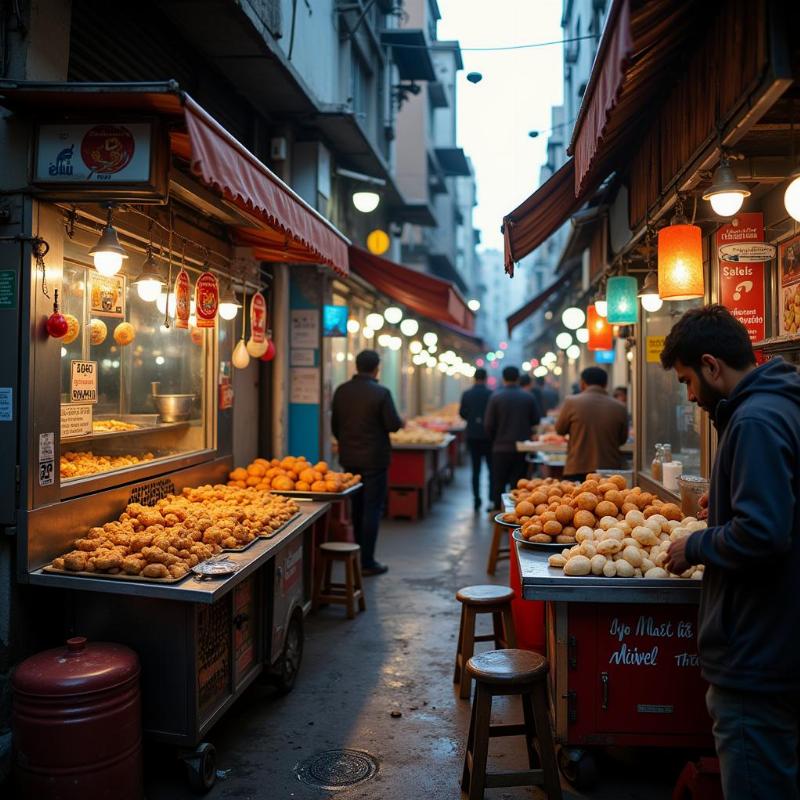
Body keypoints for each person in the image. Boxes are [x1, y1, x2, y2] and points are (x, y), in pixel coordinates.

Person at [661, 305, 800, 800]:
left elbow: (763, 532)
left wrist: (696, 543)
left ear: (711, 365)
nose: (691, 395)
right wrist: (720, 502)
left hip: (757, 649)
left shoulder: (755, 420)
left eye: (687, 381)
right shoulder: (782, 406)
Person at [331, 350, 403, 576]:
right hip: (375, 460)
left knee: (357, 507)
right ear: (377, 368)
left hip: (349, 458)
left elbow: (335, 425)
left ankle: (356, 554)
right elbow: (393, 424)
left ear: (356, 365)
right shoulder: (381, 393)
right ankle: (367, 561)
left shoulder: (341, 391)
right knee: (372, 509)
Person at [554, 366, 628, 481]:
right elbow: (622, 439)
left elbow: (560, 430)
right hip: (609, 470)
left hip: (577, 467)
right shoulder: (620, 407)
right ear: (605, 384)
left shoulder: (571, 402)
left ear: (582, 383)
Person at [484, 366, 542, 510]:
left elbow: (488, 424)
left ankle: (498, 512)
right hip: (521, 448)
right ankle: (516, 513)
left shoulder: (496, 397)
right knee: (518, 483)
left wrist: (495, 439)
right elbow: (536, 420)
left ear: (503, 378)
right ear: (518, 378)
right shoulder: (528, 397)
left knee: (499, 481)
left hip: (500, 447)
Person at [459, 367, 493, 511]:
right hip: (488, 436)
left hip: (472, 435)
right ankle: (491, 499)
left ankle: (476, 499)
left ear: (474, 378)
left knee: (476, 469)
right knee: (492, 469)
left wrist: (472, 419)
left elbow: (462, 413)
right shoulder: (491, 394)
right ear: (486, 378)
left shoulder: (467, 394)